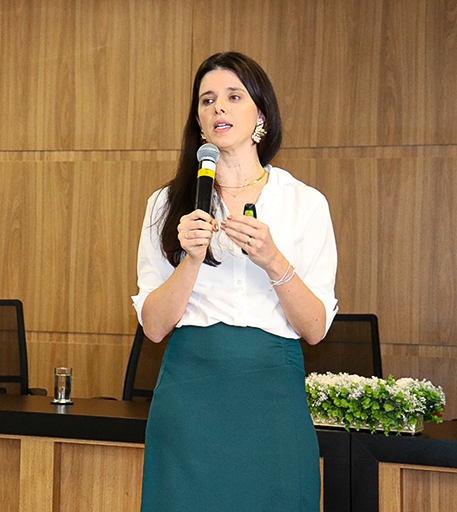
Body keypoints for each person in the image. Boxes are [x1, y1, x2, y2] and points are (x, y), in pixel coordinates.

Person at [132, 52, 338, 511]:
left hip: (272, 399)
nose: (218, 109)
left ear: (260, 114)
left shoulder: (304, 203)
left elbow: (315, 328)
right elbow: (154, 326)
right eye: (206, 101)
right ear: (199, 124)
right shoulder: (168, 205)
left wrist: (273, 261)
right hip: (190, 398)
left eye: (232, 97)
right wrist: (191, 259)